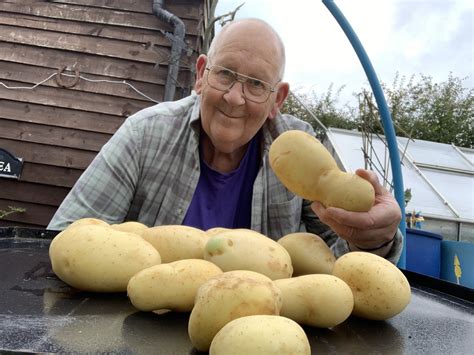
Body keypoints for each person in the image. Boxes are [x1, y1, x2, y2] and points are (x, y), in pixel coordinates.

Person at [48, 18, 403, 264]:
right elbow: (67, 238)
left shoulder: (301, 152)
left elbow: (339, 265)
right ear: (202, 75)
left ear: (276, 100)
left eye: (255, 84)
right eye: (226, 74)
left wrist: (376, 241)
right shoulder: (144, 134)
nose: (235, 97)